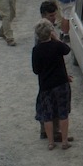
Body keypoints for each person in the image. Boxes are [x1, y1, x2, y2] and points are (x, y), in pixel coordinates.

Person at [32, 20, 73, 151]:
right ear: (51, 32)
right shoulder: (56, 46)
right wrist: (56, 39)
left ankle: (51, 142)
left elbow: (36, 70)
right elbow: (67, 50)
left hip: (45, 85)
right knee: (63, 112)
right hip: (61, 83)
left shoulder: (36, 50)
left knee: (47, 115)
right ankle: (65, 141)